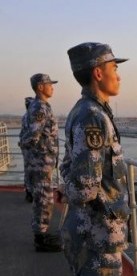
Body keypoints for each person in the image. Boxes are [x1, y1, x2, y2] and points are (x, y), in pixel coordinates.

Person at [60, 42, 130, 275]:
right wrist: (69, 187)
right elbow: (84, 190)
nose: (119, 76)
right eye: (115, 68)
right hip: (98, 238)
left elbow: (69, 165)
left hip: (94, 233)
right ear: (98, 73)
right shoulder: (92, 117)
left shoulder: (84, 110)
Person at [20, 73, 61, 252]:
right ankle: (41, 239)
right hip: (41, 162)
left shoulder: (39, 106)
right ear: (40, 87)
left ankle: (41, 233)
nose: (52, 87)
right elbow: (32, 136)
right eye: (49, 84)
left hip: (41, 161)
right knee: (44, 200)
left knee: (42, 199)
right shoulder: (40, 108)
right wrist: (36, 157)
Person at [18, 96, 35, 202]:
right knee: (34, 172)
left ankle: (28, 193)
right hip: (32, 149)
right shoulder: (31, 117)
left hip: (26, 149)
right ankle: (32, 193)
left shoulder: (24, 117)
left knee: (27, 170)